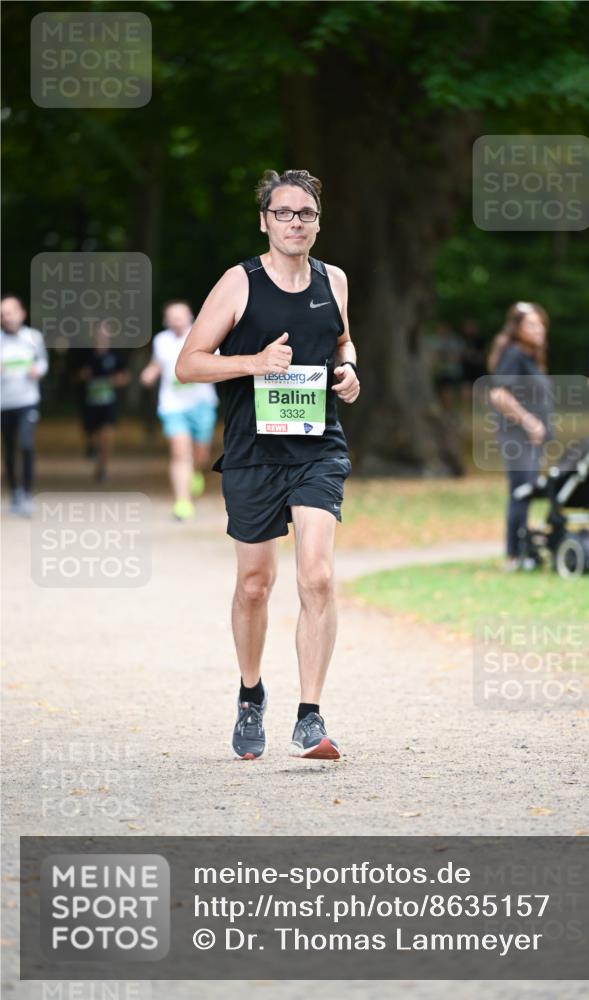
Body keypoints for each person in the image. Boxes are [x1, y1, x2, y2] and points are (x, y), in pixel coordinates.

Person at [175, 168, 360, 761]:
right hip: (254, 452)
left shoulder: (335, 280)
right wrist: (253, 363)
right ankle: (251, 695)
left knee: (318, 576)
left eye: (305, 214)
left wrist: (350, 371)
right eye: (283, 213)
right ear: (265, 220)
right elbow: (190, 364)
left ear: (317, 221)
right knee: (255, 586)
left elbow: (342, 342)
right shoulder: (239, 282)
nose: (295, 223)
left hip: (318, 447)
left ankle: (310, 715)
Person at [487, 302, 553, 571]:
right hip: (518, 437)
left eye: (541, 324)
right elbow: (499, 394)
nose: (539, 330)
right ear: (518, 329)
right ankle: (515, 555)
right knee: (521, 492)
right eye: (532, 325)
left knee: (526, 492)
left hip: (532, 440)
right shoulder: (513, 354)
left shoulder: (531, 356)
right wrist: (528, 421)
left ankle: (526, 551)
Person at [140, 300, 219, 520]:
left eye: (180, 316)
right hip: (172, 405)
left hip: (202, 403)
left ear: (190, 316)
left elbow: (217, 362)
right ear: (166, 320)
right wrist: (150, 373)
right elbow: (158, 363)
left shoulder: (203, 336)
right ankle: (182, 502)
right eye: (172, 316)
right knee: (179, 451)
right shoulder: (161, 340)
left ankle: (195, 472)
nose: (176, 320)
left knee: (200, 453)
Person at [0, 295, 49, 515]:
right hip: (4, 403)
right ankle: (15, 494)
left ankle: (28, 494)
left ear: (22, 313)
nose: (6, 317)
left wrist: (37, 371)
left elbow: (43, 362)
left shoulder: (33, 337)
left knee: (26, 444)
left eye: (9, 312)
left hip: (28, 401)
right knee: (9, 449)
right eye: (2, 314)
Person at [76, 321, 130, 482]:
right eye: (99, 332)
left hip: (109, 403)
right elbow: (75, 375)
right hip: (89, 402)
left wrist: (116, 380)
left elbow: (125, 376)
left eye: (105, 332)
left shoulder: (115, 354)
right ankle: (92, 446)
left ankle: (103, 468)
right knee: (93, 435)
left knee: (106, 435)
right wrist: (82, 375)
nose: (102, 335)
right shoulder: (85, 354)